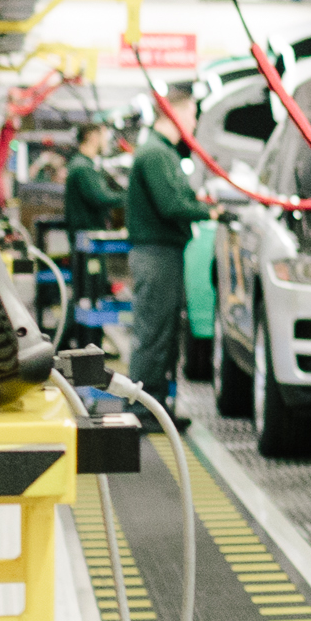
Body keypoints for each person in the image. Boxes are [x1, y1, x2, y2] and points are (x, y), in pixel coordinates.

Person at [124, 110, 206, 419]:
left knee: (164, 333)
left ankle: (156, 407)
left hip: (163, 254)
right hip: (156, 255)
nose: (194, 122)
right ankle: (142, 410)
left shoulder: (161, 152)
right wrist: (209, 212)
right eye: (191, 114)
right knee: (154, 333)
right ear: (174, 113)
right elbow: (171, 204)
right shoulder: (157, 154)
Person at [62, 124, 125, 298]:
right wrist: (129, 197)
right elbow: (100, 197)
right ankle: (87, 325)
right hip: (87, 241)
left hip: (88, 241)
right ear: (92, 136)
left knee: (91, 290)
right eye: (104, 136)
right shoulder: (83, 168)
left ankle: (88, 324)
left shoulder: (85, 165)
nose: (106, 141)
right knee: (90, 291)